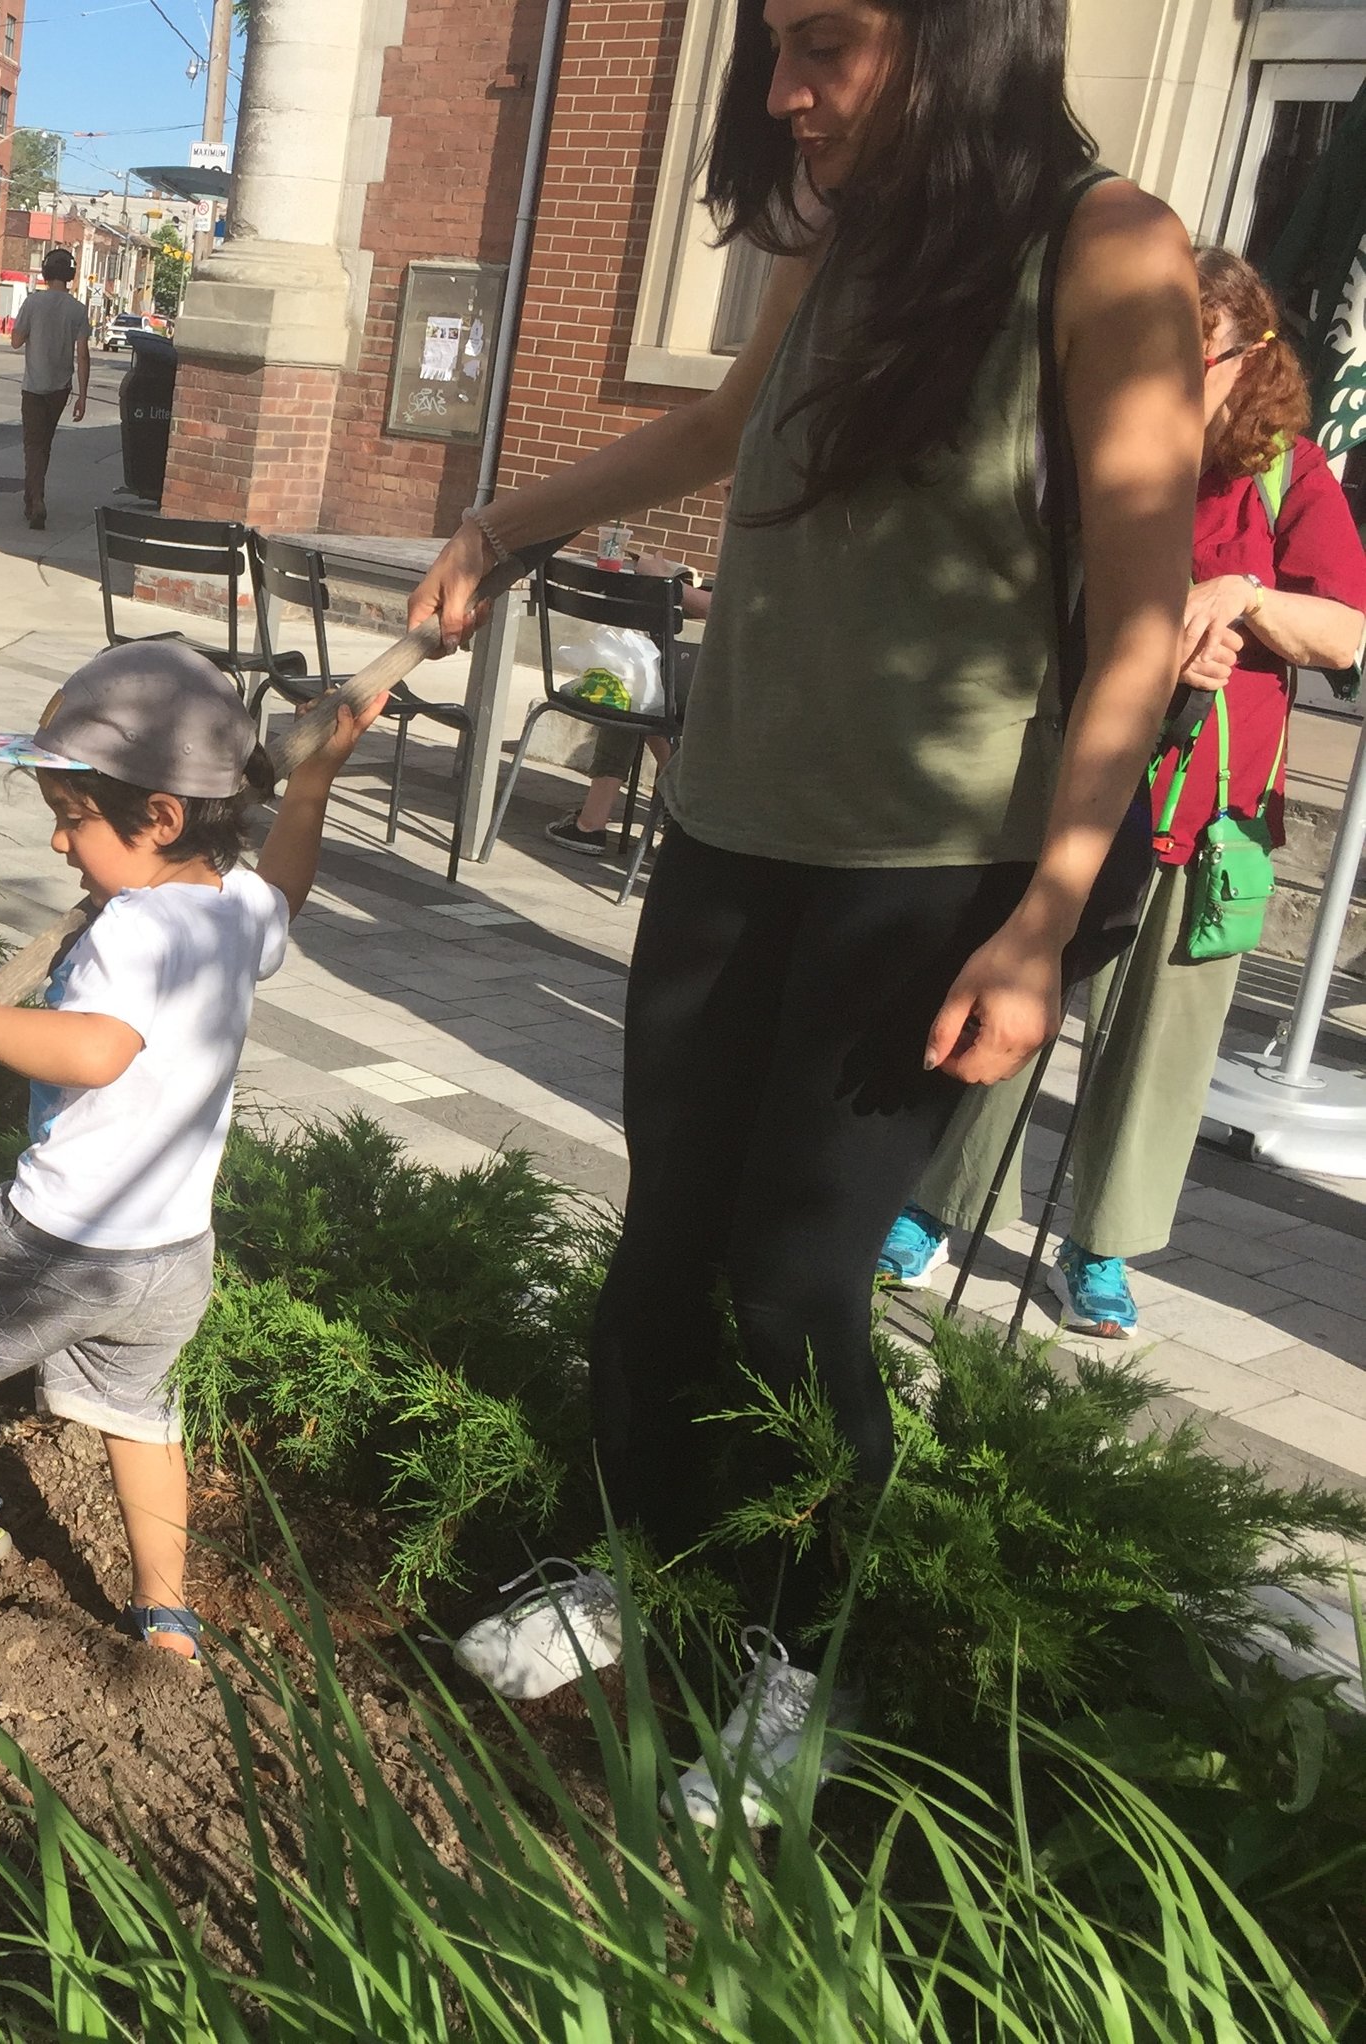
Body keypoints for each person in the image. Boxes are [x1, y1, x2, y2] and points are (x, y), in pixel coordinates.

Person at [405, 0, 1202, 1826]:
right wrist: (504, 519)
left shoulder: (1106, 246)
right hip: (730, 830)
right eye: (773, 45)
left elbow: (1148, 621)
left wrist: (1046, 912)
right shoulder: (845, 240)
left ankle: (798, 1653)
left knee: (793, 1284)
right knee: (668, 1237)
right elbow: (712, 430)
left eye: (823, 41)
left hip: (931, 877)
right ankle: (633, 1563)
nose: (782, 89)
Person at [879, 250, 1366, 1333]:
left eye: (1205, 363)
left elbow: (1345, 629)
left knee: (1159, 1045)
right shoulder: (1102, 442)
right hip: (1076, 781)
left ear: (1254, 360)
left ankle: (1099, 1244)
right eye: (1162, 359)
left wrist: (1241, 600)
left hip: (1210, 808)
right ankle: (936, 1202)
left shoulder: (1286, 473)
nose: (1182, 385)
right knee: (1017, 978)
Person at [0, 643, 377, 1661]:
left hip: (68, 1237)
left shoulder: (131, 930)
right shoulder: (233, 911)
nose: (59, 844)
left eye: (72, 817)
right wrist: (313, 777)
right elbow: (289, 884)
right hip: (172, 1252)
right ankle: (165, 1611)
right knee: (139, 1417)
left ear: (159, 819)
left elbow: (95, 1051)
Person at [549, 554, 707, 856]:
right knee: (644, 681)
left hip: (744, 687)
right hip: (747, 679)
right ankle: (675, 795)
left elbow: (736, 611)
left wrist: (666, 583)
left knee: (638, 680)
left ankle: (594, 822)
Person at [9, 247, 92, 530]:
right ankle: (31, 497)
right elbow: (83, 355)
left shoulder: (32, 303)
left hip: (33, 386)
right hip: (61, 389)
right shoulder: (78, 310)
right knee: (44, 444)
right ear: (70, 275)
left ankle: (36, 500)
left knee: (32, 445)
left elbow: (16, 342)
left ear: (45, 273)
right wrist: (82, 395)